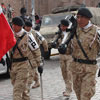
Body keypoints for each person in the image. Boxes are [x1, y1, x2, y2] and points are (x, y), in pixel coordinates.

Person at [69, 7, 100, 100]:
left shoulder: (96, 31)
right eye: (77, 17)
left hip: (89, 69)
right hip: (76, 68)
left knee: (85, 96)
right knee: (78, 95)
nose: (79, 20)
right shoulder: (74, 30)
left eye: (81, 17)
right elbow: (68, 46)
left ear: (88, 18)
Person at [9, 16, 30, 100]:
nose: (13, 26)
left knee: (17, 91)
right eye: (12, 24)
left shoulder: (28, 36)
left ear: (20, 26)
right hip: (13, 66)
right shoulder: (10, 35)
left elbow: (35, 49)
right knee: (23, 90)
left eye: (15, 25)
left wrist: (38, 63)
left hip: (23, 66)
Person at [51, 19, 73, 97]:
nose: (62, 27)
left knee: (69, 72)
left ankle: (69, 89)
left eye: (64, 26)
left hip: (69, 56)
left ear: (67, 26)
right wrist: (53, 43)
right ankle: (67, 87)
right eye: (61, 26)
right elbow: (55, 42)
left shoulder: (70, 34)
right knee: (64, 73)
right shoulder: (59, 34)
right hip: (61, 56)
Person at [24, 21, 47, 88]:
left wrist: (45, 50)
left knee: (31, 69)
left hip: (35, 53)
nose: (25, 28)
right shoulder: (24, 33)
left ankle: (28, 86)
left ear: (29, 27)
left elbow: (43, 41)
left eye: (26, 27)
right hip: (28, 54)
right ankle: (37, 81)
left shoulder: (35, 33)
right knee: (32, 68)